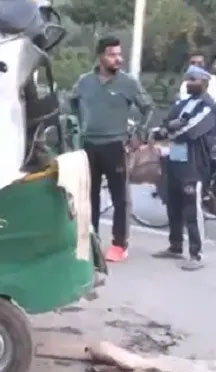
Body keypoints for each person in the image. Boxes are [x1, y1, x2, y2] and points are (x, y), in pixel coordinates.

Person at [70, 36, 153, 263]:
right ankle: (92, 240)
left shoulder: (128, 83)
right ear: (100, 56)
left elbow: (148, 107)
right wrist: (78, 127)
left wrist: (139, 134)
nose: (118, 59)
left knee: (120, 199)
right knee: (90, 197)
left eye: (119, 54)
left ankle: (119, 244)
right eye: (112, 55)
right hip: (89, 146)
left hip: (115, 146)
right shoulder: (85, 82)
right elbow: (71, 102)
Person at [153, 65, 215, 271]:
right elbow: (166, 122)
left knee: (191, 207)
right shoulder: (183, 103)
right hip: (175, 157)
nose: (188, 82)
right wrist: (167, 128)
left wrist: (169, 131)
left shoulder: (208, 106)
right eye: (188, 78)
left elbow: (191, 131)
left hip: (194, 162)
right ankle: (175, 245)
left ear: (204, 82)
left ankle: (196, 253)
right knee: (173, 202)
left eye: (193, 79)